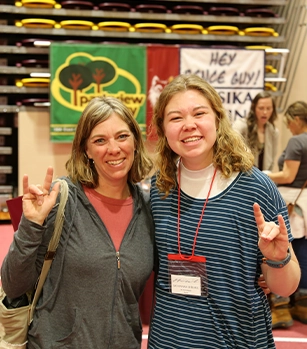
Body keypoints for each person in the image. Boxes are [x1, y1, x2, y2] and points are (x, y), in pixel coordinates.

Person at [148, 74, 301, 349]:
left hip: (236, 340)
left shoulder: (256, 188)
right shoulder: (160, 188)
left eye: (199, 113)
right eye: (175, 118)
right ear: (162, 128)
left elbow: (285, 287)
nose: (189, 125)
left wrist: (278, 259)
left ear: (218, 119)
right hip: (168, 341)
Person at [0, 96, 155, 348]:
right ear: (86, 150)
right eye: (100, 140)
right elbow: (13, 284)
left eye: (122, 136)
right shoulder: (62, 199)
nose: (113, 148)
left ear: (136, 142)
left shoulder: (148, 207)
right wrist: (31, 225)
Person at [267, 101, 307, 327]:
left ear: (297, 119)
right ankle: (302, 304)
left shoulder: (296, 141)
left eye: (290, 122)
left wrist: (264, 176)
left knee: (286, 251)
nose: (289, 127)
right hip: (305, 202)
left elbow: (288, 175)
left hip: (293, 204)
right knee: (305, 255)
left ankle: (281, 308)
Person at [232, 91, 279, 171]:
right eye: (261, 108)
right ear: (254, 108)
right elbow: (232, 151)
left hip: (264, 177)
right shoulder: (240, 126)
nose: (265, 112)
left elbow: (272, 161)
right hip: (243, 174)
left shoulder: (274, 131)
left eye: (268, 108)